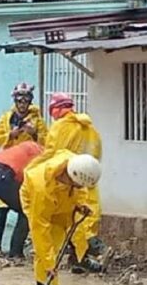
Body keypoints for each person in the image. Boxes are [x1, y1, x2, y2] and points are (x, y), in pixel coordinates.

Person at [20, 149, 102, 285]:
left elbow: (81, 191)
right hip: (39, 206)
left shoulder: (76, 164)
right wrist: (50, 263)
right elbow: (40, 231)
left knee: (75, 236)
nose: (81, 188)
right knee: (46, 249)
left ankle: (79, 258)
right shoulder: (41, 189)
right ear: (72, 178)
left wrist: (81, 204)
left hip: (63, 199)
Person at [42, 93, 108, 272]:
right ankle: (80, 258)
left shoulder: (60, 127)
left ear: (56, 110)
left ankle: (75, 257)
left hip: (67, 182)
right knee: (85, 221)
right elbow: (97, 156)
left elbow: (50, 155)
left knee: (67, 222)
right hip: (88, 182)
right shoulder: (91, 129)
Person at [0, 83, 47, 252]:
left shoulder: (37, 121)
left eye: (26, 100)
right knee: (2, 204)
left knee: (28, 203)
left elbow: (47, 142)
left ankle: (26, 239)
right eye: (19, 100)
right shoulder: (6, 118)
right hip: (10, 163)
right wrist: (10, 135)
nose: (22, 104)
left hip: (30, 166)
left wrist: (34, 133)